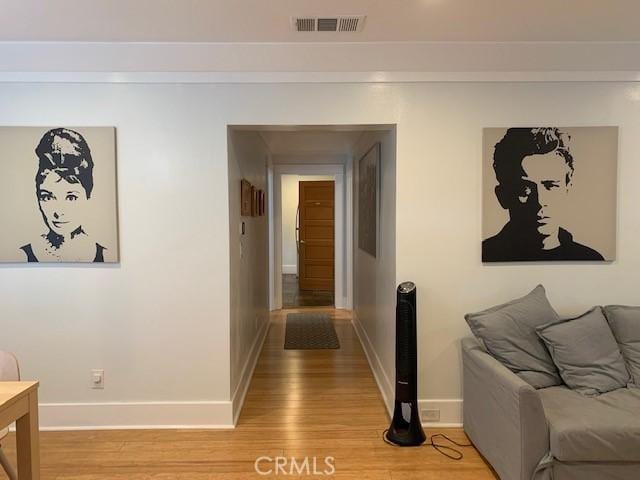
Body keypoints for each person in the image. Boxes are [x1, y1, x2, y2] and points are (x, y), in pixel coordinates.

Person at [482, 127, 604, 262]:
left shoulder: (590, 259)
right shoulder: (486, 255)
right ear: (502, 196)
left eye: (551, 186)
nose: (540, 201)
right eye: (525, 189)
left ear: (567, 188)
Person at [20, 128, 106, 262]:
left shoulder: (106, 255)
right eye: (47, 197)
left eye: (71, 197)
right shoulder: (22, 256)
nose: (59, 212)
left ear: (88, 196)